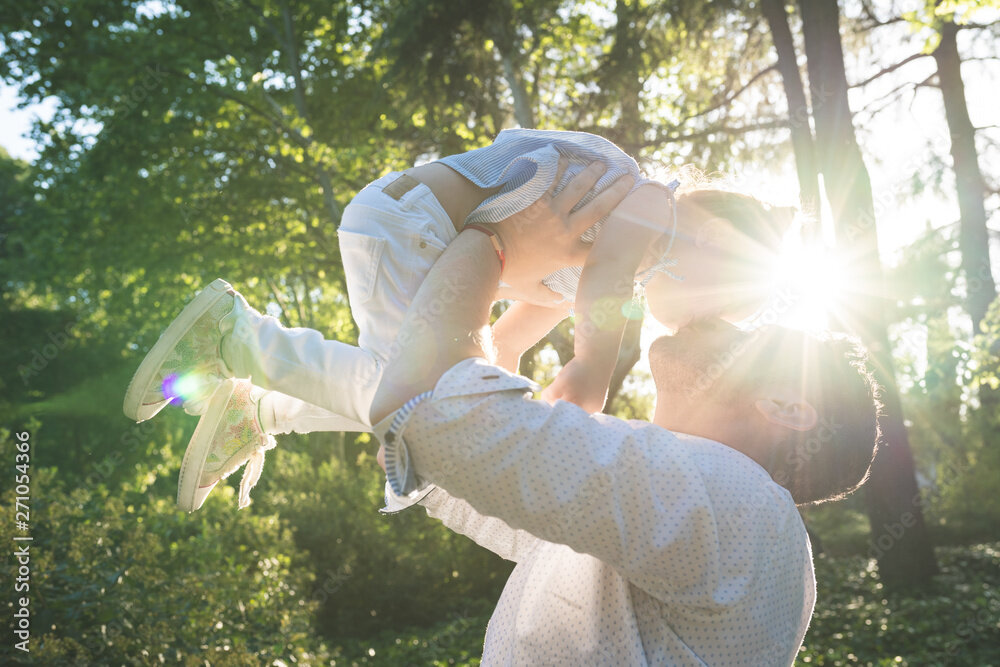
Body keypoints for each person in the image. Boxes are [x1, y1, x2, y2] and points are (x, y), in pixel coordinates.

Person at [123, 130, 790, 510]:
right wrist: (591, 368)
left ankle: (263, 409)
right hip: (413, 227)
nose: (694, 321)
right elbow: (607, 282)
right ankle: (237, 337)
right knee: (418, 400)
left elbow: (522, 324)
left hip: (411, 235)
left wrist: (504, 374)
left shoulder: (601, 252)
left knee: (415, 395)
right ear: (716, 240)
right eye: (716, 302)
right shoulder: (644, 202)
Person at [361, 178, 883, 664]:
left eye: (748, 339)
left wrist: (498, 239)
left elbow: (440, 425)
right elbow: (455, 467)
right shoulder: (691, 518)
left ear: (787, 406)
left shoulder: (742, 500)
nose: (717, 321)